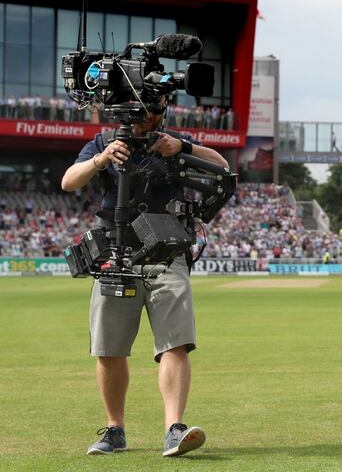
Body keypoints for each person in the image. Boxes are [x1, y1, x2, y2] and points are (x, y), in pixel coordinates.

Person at [61, 95, 229, 457]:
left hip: (167, 253)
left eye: (151, 113)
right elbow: (69, 182)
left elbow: (222, 165)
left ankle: (174, 428)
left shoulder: (172, 142)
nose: (143, 120)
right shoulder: (104, 142)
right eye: (138, 113)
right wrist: (101, 159)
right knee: (109, 348)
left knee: (176, 342)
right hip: (115, 252)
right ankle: (114, 430)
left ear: (161, 114)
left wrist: (182, 146)